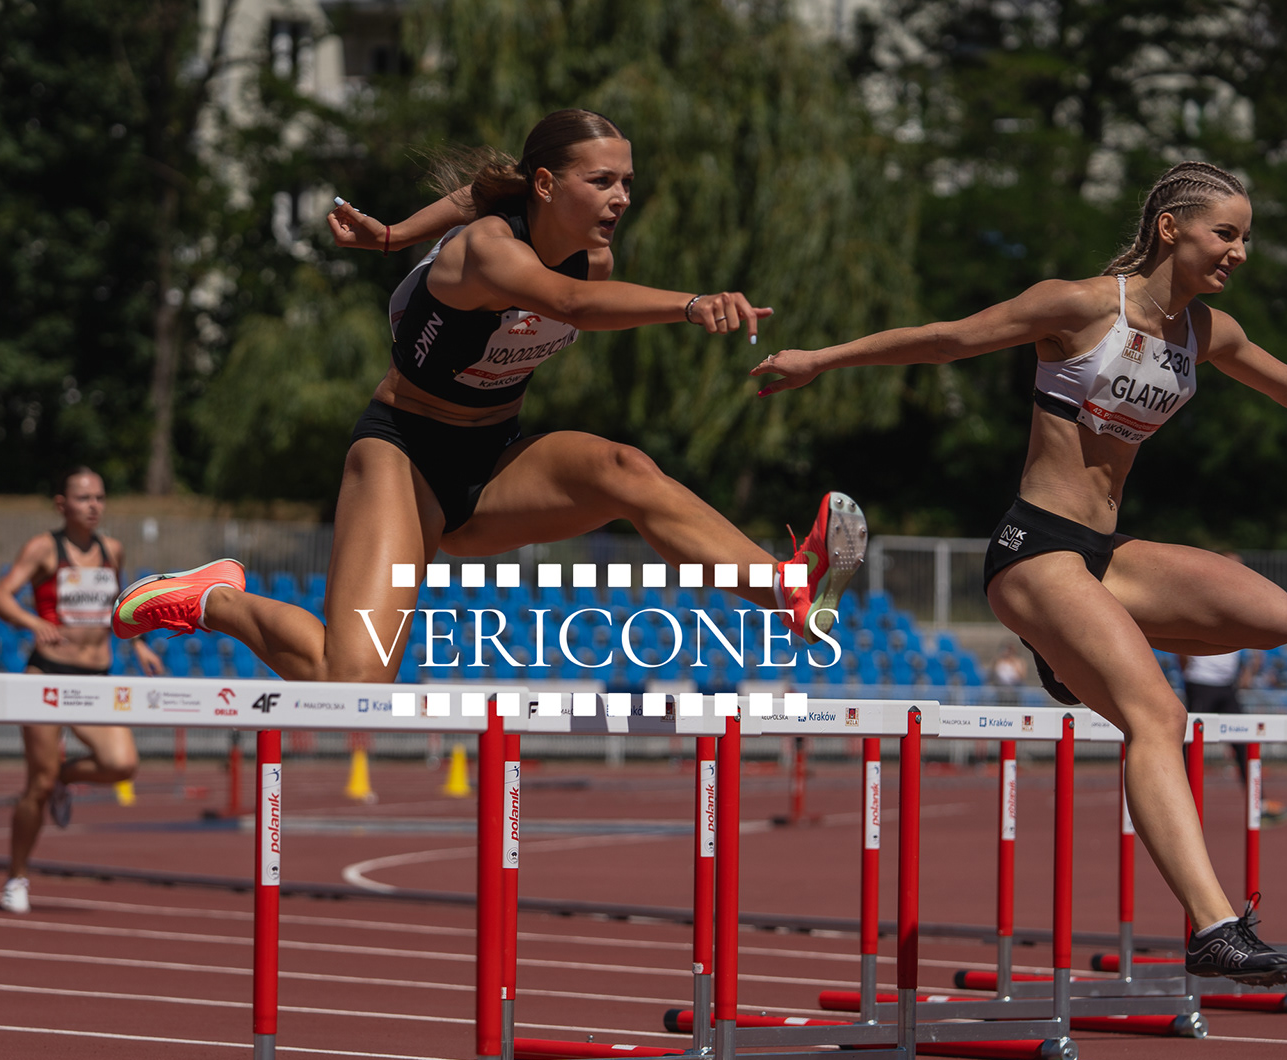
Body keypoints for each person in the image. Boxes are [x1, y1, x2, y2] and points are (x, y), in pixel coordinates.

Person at [750, 161, 1287, 985]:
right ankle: (1213, 926)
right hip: (1035, 548)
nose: (1240, 252)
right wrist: (821, 359)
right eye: (1226, 233)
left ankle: (1064, 650)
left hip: (1103, 554)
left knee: (1274, 617)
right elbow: (948, 338)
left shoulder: (1203, 332)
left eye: (1247, 238)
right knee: (1158, 716)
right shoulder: (1081, 305)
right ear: (1171, 228)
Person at [111, 109, 865, 683]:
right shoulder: (486, 252)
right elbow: (568, 303)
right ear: (547, 185)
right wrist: (691, 303)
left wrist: (392, 235)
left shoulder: (593, 260)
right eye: (603, 181)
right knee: (353, 681)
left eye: (628, 183)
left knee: (625, 469)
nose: (621, 198)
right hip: (403, 455)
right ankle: (214, 597)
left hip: (495, 459)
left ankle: (788, 590)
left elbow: (517, 232)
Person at [0, 467, 162, 914]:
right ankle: (16, 877)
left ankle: (65, 778)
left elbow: (121, 605)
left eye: (99, 497)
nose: (94, 506)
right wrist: (33, 622)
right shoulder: (44, 549)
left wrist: (139, 644)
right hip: (47, 675)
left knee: (121, 763)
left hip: (95, 678)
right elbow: (0, 596)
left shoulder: (112, 550)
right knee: (37, 784)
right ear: (61, 505)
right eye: (84, 498)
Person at [1176, 645, 1287, 824]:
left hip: (1228, 685)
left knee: (1244, 743)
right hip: (1201, 681)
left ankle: (1259, 805)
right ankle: (1176, 804)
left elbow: (1253, 649)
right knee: (1189, 745)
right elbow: (1181, 648)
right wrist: (1189, 672)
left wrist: (1248, 671)